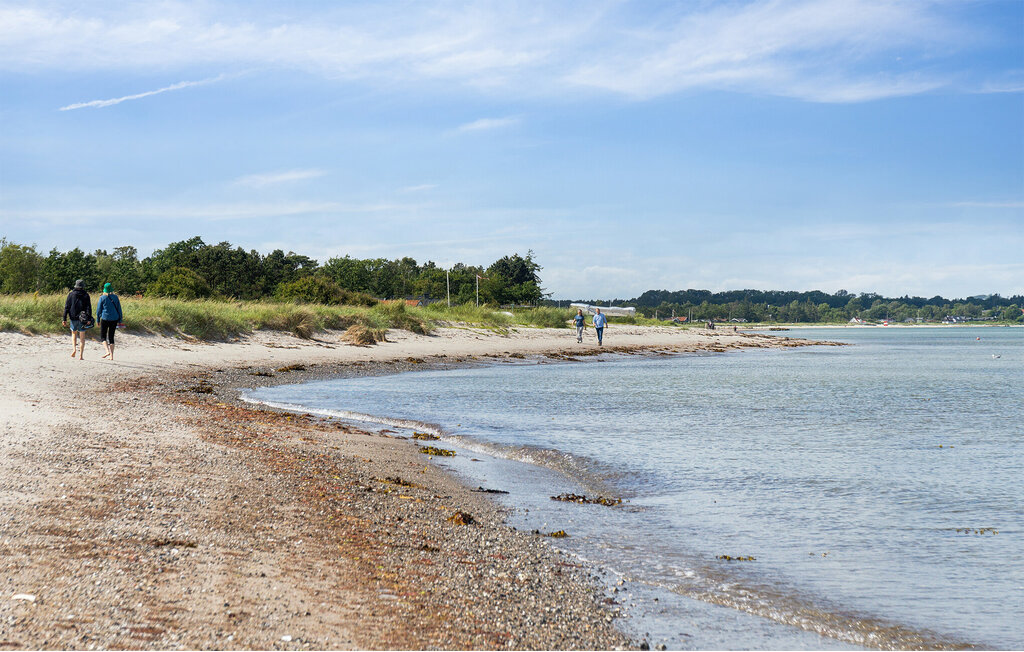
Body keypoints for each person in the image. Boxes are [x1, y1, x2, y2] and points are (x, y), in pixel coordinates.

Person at [61, 279, 92, 360]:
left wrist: (64, 318)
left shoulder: (71, 294)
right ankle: (81, 355)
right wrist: (88, 318)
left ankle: (74, 349)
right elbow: (88, 307)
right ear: (82, 286)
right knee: (82, 337)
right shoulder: (86, 295)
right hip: (83, 318)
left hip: (73, 317)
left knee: (74, 333)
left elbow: (66, 307)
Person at [96, 282, 124, 361]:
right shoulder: (115, 297)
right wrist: (120, 319)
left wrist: (98, 319)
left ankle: (107, 351)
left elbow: (99, 310)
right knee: (111, 337)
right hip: (114, 319)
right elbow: (119, 309)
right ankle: (111, 356)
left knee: (103, 336)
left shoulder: (102, 297)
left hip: (105, 318)